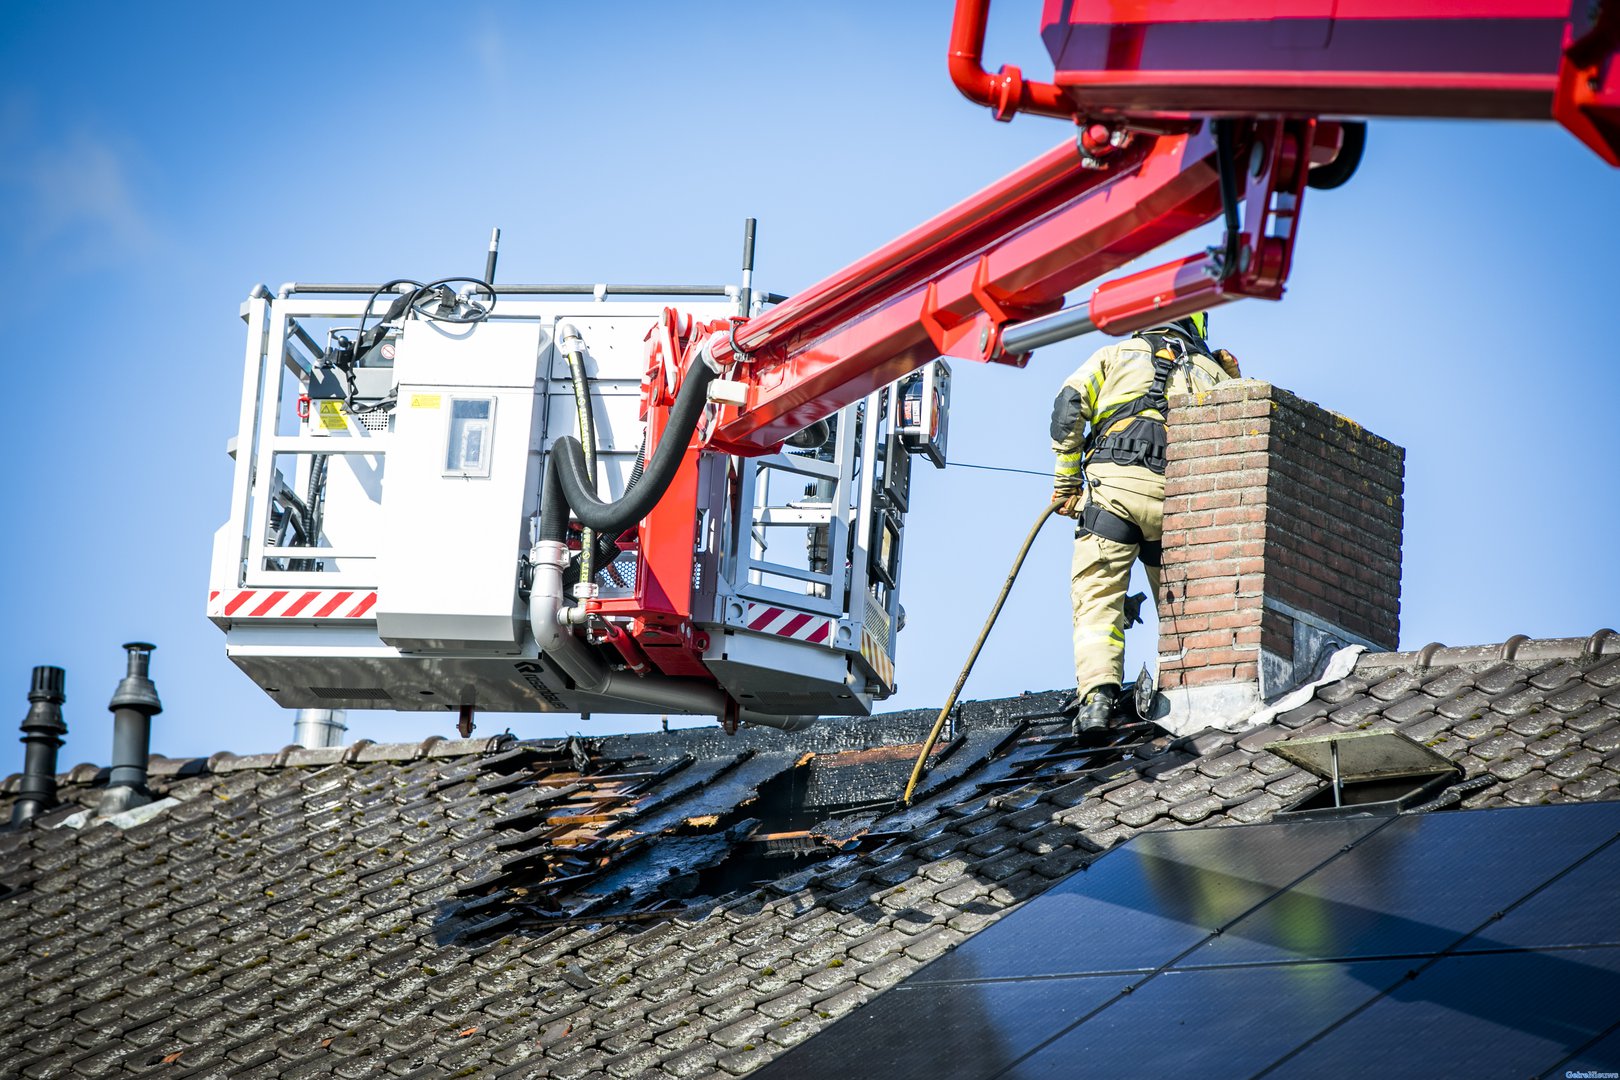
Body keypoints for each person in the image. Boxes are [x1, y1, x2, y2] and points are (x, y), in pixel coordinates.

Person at [1049, 312, 1240, 733]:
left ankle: (1097, 700)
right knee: (1182, 613)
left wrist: (1067, 482)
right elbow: (1242, 432)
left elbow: (1068, 407)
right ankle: (1193, 695)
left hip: (1113, 499)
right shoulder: (1212, 375)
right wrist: (1233, 379)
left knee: (1097, 598)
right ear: (1197, 328)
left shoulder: (1115, 356)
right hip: (1178, 509)